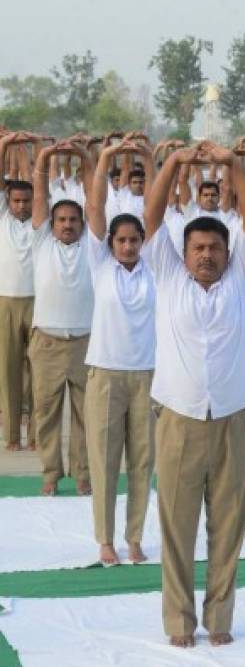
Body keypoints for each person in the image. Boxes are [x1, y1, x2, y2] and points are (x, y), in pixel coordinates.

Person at [142, 140, 245, 648]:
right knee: (176, 526)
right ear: (184, 254)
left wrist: (234, 166)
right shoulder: (168, 276)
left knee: (229, 525)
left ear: (227, 254)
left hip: (232, 418)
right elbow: (151, 219)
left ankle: (220, 618)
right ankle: (178, 621)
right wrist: (173, 164)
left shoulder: (240, 277)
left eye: (215, 248)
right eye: (198, 248)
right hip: (178, 419)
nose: (207, 255)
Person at [83, 138, 156, 566]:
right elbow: (95, 208)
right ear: (111, 243)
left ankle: (134, 537)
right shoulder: (101, 265)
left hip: (147, 375)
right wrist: (107, 157)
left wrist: (147, 159)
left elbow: (154, 206)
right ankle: (105, 539)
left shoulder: (155, 270)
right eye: (121, 240)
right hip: (106, 375)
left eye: (134, 240)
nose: (128, 246)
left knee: (142, 463)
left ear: (144, 241)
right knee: (105, 462)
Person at [30, 141, 94, 496]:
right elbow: (40, 195)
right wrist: (43, 157)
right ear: (51, 224)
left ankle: (83, 474)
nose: (67, 225)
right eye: (62, 220)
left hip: (85, 341)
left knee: (86, 415)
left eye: (73, 220)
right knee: (46, 413)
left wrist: (85, 159)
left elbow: (94, 197)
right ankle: (51, 475)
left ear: (82, 224)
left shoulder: (92, 245)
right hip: (47, 342)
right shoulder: (42, 242)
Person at [0, 132, 37, 452]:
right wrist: (5, 146)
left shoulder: (41, 222)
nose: (22, 206)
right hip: (7, 302)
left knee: (38, 371)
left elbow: (43, 181)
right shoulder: (2, 217)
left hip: (40, 303)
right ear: (8, 201)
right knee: (8, 370)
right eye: (16, 201)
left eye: (26, 201)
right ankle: (12, 435)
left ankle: (37, 433)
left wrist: (33, 149)